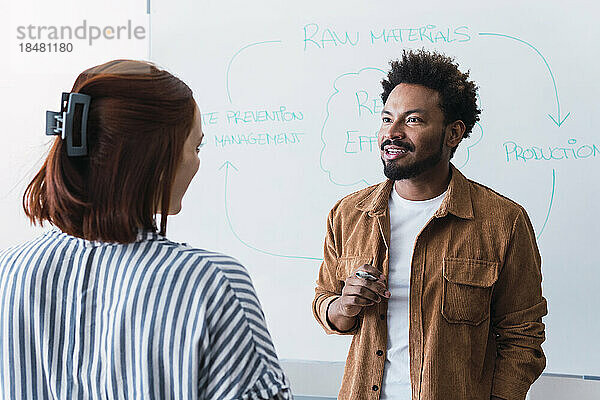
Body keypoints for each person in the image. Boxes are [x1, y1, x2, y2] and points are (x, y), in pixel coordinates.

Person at [0, 60, 291, 400]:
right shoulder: (210, 282)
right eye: (195, 148)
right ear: (156, 159)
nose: (197, 162)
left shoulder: (9, 271)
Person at [313, 49, 547, 400]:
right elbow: (325, 303)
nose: (392, 133)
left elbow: (522, 336)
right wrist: (344, 306)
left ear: (453, 134)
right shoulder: (348, 214)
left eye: (413, 120)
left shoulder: (503, 222)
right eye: (386, 118)